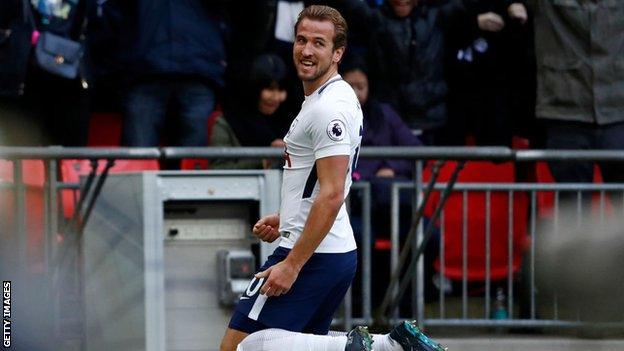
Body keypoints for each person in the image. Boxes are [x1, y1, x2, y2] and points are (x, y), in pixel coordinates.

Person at [220, 5, 444, 351]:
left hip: (311, 253)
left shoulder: (329, 108)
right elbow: (320, 185)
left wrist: (292, 264)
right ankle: (389, 343)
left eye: (319, 43)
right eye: (301, 40)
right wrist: (289, 216)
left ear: (338, 52)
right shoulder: (330, 97)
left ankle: (379, 346)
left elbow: (332, 193)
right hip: (326, 248)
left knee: (240, 346)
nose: (306, 51)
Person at [119, 0, 228, 147]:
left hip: (195, 70)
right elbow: (113, 17)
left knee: (194, 159)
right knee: (140, 157)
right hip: (149, 70)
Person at [211, 54, 290, 169]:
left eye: (281, 90)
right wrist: (264, 158)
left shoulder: (295, 125)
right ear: (254, 89)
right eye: (269, 89)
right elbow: (218, 170)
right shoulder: (227, 124)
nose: (276, 97)